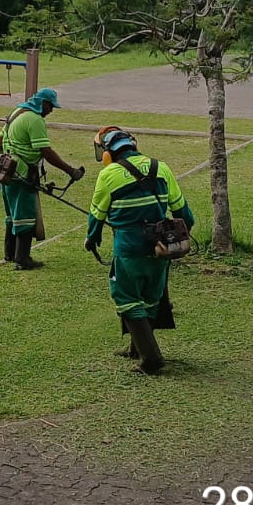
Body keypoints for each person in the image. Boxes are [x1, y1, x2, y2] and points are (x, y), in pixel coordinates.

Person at [83, 126, 195, 374]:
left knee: (126, 300)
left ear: (108, 153)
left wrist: (91, 239)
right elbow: (184, 214)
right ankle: (137, 348)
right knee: (150, 299)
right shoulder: (161, 167)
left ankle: (151, 359)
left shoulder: (108, 175)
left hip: (129, 248)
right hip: (160, 247)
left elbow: (97, 215)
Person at [0, 87, 83, 270]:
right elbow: (46, 151)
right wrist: (71, 171)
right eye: (50, 106)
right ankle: (22, 260)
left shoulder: (17, 111)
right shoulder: (35, 119)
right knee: (25, 216)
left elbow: (0, 138)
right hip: (22, 174)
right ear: (42, 103)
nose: (51, 110)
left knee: (11, 214)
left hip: (6, 170)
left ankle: (10, 253)